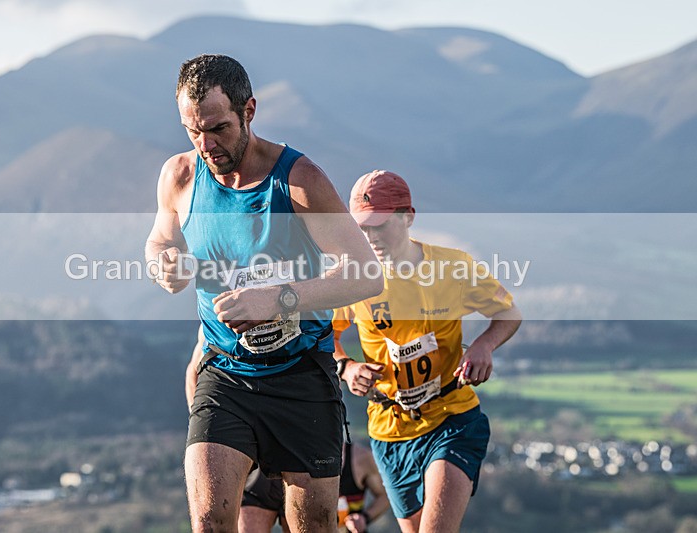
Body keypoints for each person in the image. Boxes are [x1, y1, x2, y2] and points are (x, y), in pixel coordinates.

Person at [148, 54, 382, 533]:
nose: (206, 144)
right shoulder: (180, 177)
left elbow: (366, 274)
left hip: (301, 375)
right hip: (225, 372)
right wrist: (162, 264)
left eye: (218, 128)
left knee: (313, 526)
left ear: (249, 111)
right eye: (192, 130)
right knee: (211, 522)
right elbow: (159, 240)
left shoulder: (299, 181)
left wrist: (278, 299)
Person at [332, 170, 522, 533]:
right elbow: (325, 338)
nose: (370, 236)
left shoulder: (452, 267)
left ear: (408, 217)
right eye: (362, 228)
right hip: (389, 430)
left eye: (380, 225)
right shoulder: (353, 277)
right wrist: (347, 367)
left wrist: (483, 345)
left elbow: (508, 313)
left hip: (451, 417)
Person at [185, 326, 391, 533]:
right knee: (211, 524)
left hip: (300, 431)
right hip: (255, 459)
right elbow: (196, 369)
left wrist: (345, 369)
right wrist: (213, 431)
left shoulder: (310, 310)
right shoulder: (218, 318)